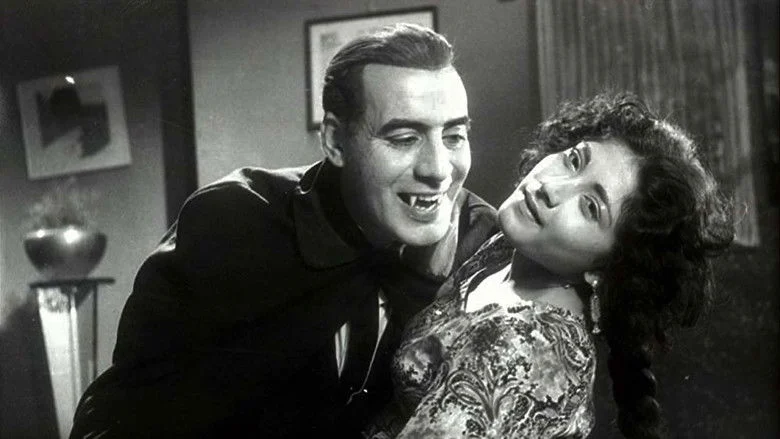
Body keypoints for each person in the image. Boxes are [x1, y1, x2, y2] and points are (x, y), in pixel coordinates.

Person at [70, 24, 498, 438]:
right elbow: (117, 416)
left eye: (454, 136)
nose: (438, 169)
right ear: (335, 141)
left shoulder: (479, 238)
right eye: (404, 138)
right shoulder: (231, 223)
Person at [364, 93, 734, 438]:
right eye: (574, 160)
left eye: (590, 207)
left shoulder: (527, 350)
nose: (552, 188)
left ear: (611, 268)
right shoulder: (510, 248)